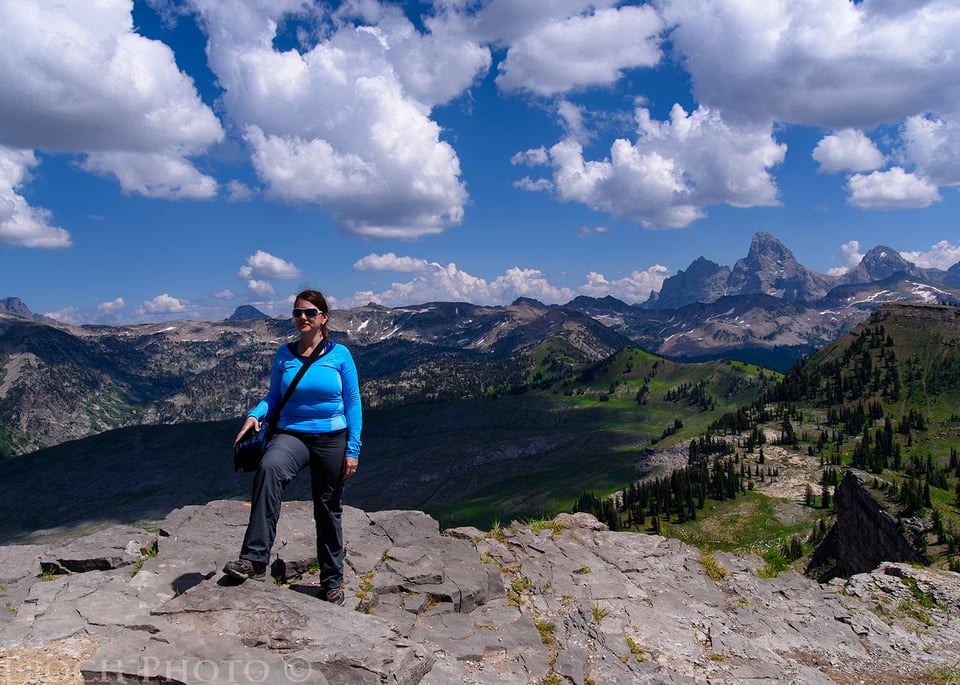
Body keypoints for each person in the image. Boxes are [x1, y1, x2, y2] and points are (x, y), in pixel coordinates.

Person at [224, 289, 362, 606]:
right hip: (292, 433)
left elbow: (353, 403)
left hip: (332, 435)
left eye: (310, 313)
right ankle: (254, 559)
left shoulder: (340, 356)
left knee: (328, 506)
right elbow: (274, 396)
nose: (302, 317)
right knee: (270, 468)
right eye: (298, 312)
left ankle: (332, 581)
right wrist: (254, 415)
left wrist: (353, 448)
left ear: (323, 318)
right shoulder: (284, 355)